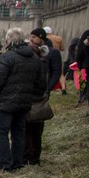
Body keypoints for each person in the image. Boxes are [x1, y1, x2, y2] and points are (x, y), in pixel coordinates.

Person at [0, 27, 47, 172]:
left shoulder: (6, 58)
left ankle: (5, 163)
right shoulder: (34, 58)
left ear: (8, 40)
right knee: (19, 133)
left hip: (5, 104)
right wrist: (31, 97)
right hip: (24, 103)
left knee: (1, 133)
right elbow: (40, 83)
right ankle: (18, 162)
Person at [24, 27, 63, 165]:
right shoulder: (29, 52)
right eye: (30, 36)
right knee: (26, 124)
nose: (31, 39)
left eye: (34, 37)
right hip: (28, 93)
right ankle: (27, 154)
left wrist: (48, 88)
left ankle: (35, 156)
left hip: (41, 94)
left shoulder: (52, 53)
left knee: (37, 123)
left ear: (41, 37)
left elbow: (56, 72)